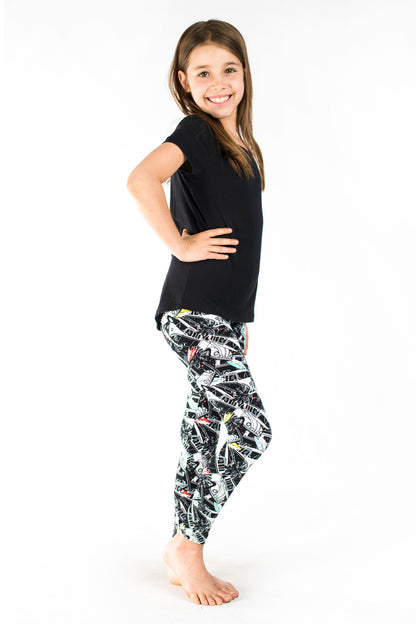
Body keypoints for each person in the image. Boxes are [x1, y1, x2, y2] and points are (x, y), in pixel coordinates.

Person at [127, 19, 272, 607]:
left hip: (220, 316)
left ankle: (179, 548)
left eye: (229, 69)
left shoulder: (244, 148)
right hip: (192, 310)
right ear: (184, 82)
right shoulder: (196, 131)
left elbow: (244, 243)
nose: (219, 83)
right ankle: (189, 547)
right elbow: (141, 179)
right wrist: (179, 244)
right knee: (251, 429)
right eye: (204, 73)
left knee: (206, 429)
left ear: (245, 74)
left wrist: (240, 321)